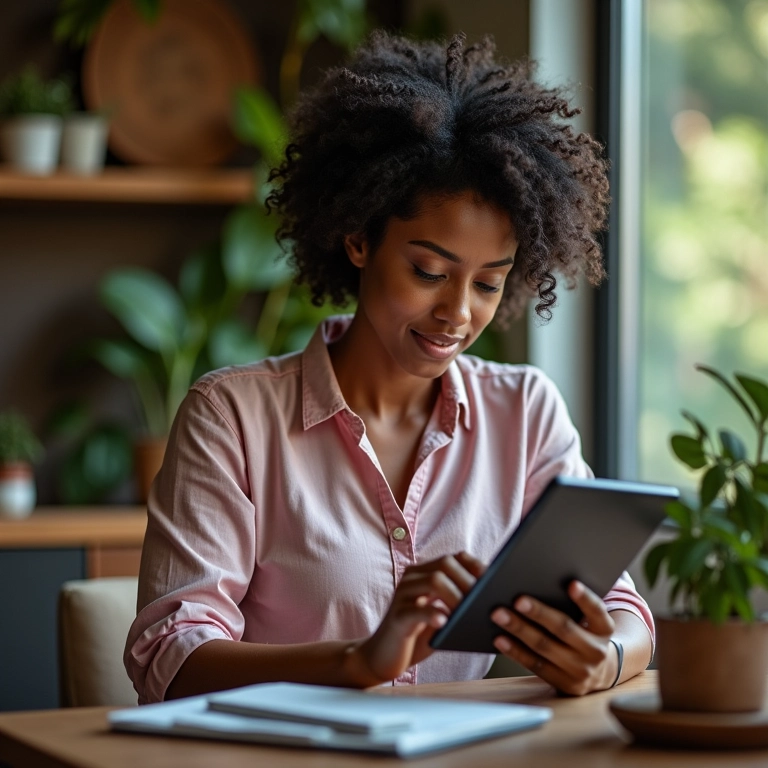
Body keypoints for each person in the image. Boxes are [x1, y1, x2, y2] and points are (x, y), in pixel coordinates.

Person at [125, 31, 654, 705]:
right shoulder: (235, 415)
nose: (457, 313)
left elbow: (623, 610)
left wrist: (603, 660)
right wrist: (358, 661)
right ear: (357, 238)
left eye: (488, 283)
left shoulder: (524, 413)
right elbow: (170, 660)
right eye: (428, 271)